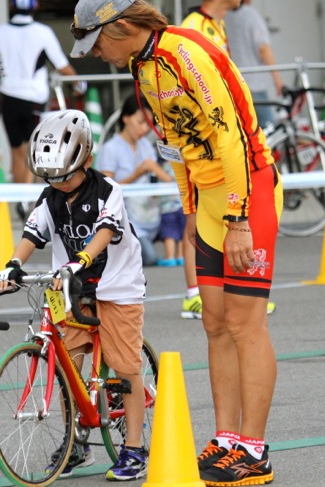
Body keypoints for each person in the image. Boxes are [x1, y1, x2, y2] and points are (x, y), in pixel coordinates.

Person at [69, 1, 283, 485]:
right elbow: (178, 145)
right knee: (214, 322)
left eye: (97, 42)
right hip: (207, 199)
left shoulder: (185, 51)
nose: (96, 53)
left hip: (246, 188)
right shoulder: (142, 68)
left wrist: (237, 218)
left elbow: (229, 138)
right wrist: (190, 207)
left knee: (246, 324)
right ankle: (227, 438)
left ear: (121, 26)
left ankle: (254, 448)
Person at [0, 110, 149, 481]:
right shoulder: (50, 196)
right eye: (50, 177)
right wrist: (13, 263)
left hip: (116, 284)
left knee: (125, 365)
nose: (58, 184)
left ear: (88, 161)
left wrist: (81, 259)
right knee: (68, 365)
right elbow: (34, 232)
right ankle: (75, 442)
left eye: (65, 176)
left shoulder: (109, 191)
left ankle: (133, 448)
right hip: (67, 286)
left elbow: (103, 233)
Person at [180, 0, 276, 320]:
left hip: (227, 146)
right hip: (204, 146)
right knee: (198, 213)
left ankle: (240, 290)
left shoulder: (218, 24)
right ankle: (193, 292)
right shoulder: (192, 26)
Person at [0, 0, 83, 219]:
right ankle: (28, 199)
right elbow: (61, 64)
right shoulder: (43, 32)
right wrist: (78, 83)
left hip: (8, 96)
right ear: (35, 7)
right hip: (34, 97)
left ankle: (22, 198)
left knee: (17, 150)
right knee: (32, 149)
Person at [96, 94, 174, 266]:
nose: (145, 128)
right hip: (126, 221)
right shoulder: (110, 148)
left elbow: (161, 178)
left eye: (149, 123)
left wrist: (156, 176)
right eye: (141, 122)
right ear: (125, 118)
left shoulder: (146, 145)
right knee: (148, 257)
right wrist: (137, 174)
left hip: (150, 215)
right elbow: (104, 189)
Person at [226, 0, 283, 129]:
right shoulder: (251, 15)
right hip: (254, 84)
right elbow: (263, 48)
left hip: (234, 82)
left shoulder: (225, 16)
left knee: (244, 129)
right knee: (268, 126)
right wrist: (277, 80)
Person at [155, 159, 186, 267]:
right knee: (182, 233)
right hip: (183, 204)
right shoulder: (183, 164)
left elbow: (161, 185)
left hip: (167, 207)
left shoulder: (163, 168)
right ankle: (181, 255)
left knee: (169, 234)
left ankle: (170, 257)